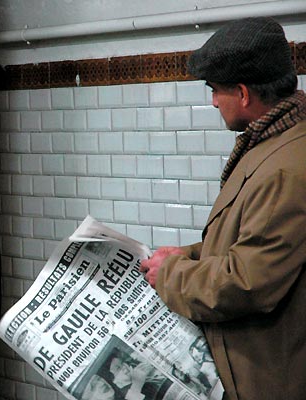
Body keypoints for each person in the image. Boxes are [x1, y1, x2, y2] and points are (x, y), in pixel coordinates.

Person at [139, 17, 306, 400]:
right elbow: (256, 241)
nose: (214, 101)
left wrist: (172, 275)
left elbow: (248, 282)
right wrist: (188, 255)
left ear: (243, 93)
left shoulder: (284, 166)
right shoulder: (272, 144)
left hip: (270, 381)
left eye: (215, 90)